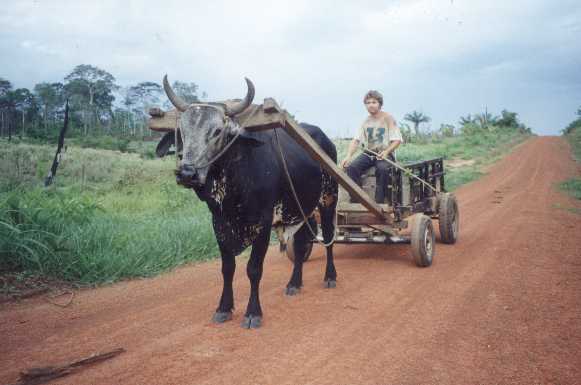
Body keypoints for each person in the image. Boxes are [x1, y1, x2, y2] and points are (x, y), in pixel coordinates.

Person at [340, 90, 403, 203]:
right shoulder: (365, 121)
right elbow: (356, 140)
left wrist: (387, 152)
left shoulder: (388, 118)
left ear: (380, 103)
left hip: (384, 154)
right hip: (369, 153)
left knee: (382, 169)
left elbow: (397, 140)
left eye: (374, 102)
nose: (371, 105)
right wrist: (348, 156)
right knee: (352, 168)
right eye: (368, 103)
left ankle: (379, 203)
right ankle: (357, 199)